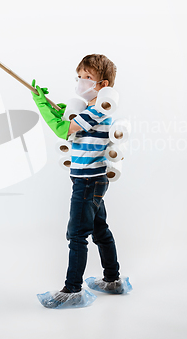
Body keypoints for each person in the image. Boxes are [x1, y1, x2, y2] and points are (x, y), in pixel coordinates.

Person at [32, 54, 132, 308]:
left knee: (77, 234)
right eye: (79, 77)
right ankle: (113, 279)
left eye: (88, 78)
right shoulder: (89, 109)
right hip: (91, 179)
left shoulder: (99, 109)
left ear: (103, 84)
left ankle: (72, 289)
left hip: (88, 181)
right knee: (100, 230)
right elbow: (72, 122)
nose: (81, 82)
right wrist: (56, 108)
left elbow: (64, 130)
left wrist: (41, 106)